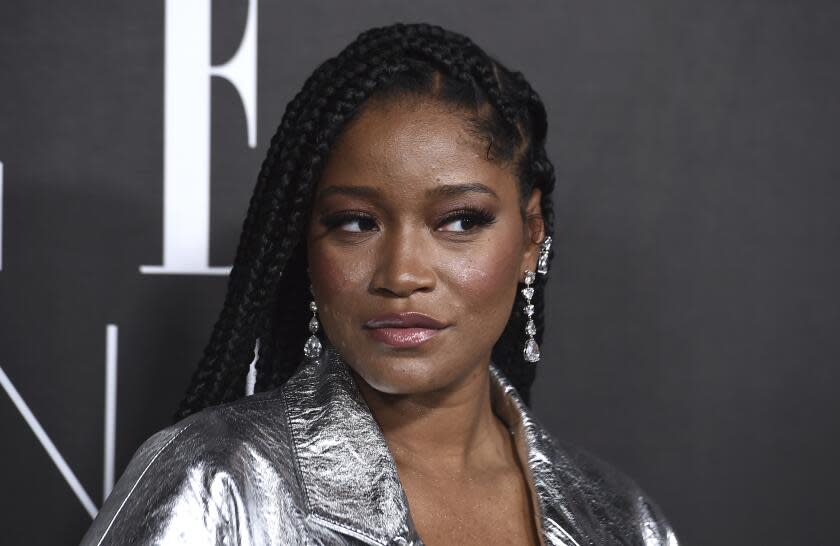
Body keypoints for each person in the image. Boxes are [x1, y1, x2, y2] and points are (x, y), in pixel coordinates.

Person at [80, 22, 679, 546]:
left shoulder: (621, 519)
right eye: (355, 223)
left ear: (529, 238)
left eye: (460, 222)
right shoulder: (218, 485)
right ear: (305, 243)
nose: (401, 275)